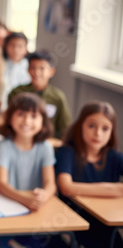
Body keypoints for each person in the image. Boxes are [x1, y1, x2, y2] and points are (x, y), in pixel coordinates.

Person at [56, 101, 123, 248]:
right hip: (74, 222)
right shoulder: (67, 152)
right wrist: (116, 189)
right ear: (80, 126)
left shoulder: (115, 157)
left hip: (106, 225)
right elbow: (66, 187)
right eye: (91, 126)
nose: (98, 133)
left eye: (105, 128)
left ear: (112, 132)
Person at [0, 92, 56, 248]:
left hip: (36, 209)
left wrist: (43, 196)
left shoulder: (45, 147)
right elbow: (1, 183)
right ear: (10, 117)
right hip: (9, 205)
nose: (27, 121)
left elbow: (51, 183)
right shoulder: (4, 145)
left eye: (33, 116)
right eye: (21, 114)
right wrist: (25, 199)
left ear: (43, 122)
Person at [8, 50, 71, 138]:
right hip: (21, 138)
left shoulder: (58, 97)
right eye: (33, 68)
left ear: (51, 71)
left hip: (48, 140)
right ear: (28, 70)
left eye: (42, 68)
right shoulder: (17, 92)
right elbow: (9, 121)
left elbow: (64, 127)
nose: (37, 72)